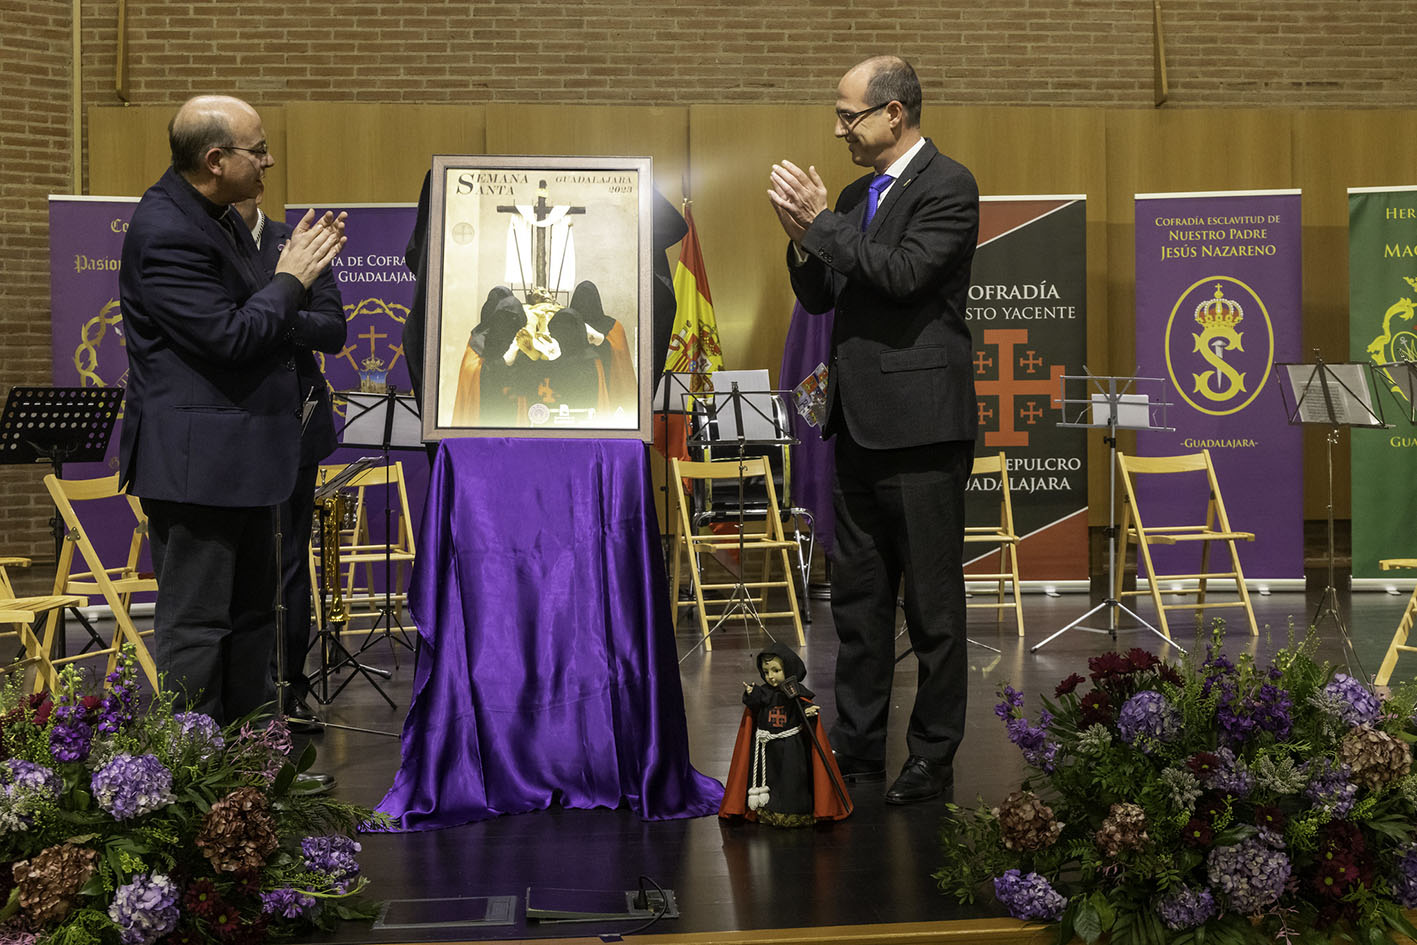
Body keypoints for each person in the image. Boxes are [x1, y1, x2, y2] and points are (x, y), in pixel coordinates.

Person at [768, 56, 979, 805]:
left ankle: (930, 757)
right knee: (857, 608)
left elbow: (901, 274)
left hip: (921, 431)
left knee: (931, 608)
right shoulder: (856, 194)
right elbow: (824, 294)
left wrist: (824, 225)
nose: (838, 129)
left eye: (848, 115)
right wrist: (801, 237)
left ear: (894, 114)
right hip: (854, 429)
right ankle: (855, 752)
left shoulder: (948, 186)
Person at [118, 94, 346, 726]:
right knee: (196, 629)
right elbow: (233, 336)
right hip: (199, 470)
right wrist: (293, 275)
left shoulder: (213, 215)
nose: (269, 160)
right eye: (259, 150)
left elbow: (268, 316)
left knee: (254, 622)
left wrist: (289, 271)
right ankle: (189, 776)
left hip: (247, 460)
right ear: (216, 160)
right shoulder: (166, 229)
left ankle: (253, 774)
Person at [233, 194, 347, 731]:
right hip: (229, 426)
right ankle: (237, 695)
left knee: (289, 565)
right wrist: (276, 307)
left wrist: (272, 314)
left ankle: (289, 688)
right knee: (232, 569)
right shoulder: (206, 240)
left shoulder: (295, 241)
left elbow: (334, 329)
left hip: (296, 425)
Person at [719, 644, 852, 827]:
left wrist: (808, 712)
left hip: (791, 746)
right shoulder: (764, 692)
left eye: (776, 670)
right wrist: (750, 694)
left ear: (788, 669)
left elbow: (802, 706)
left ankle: (794, 812)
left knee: (792, 779)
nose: (770, 676)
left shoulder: (795, 692)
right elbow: (755, 704)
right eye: (766, 672)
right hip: (767, 747)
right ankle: (768, 810)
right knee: (769, 779)